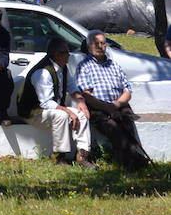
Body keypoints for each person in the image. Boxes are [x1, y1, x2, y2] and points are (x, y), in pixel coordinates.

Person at [76, 31, 151, 170]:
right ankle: (136, 160)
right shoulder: (84, 66)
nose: (99, 46)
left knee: (127, 122)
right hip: (97, 107)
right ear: (88, 46)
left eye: (102, 43)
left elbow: (127, 91)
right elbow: (86, 96)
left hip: (119, 104)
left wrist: (115, 105)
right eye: (95, 43)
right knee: (114, 128)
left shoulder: (114, 65)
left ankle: (128, 159)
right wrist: (107, 108)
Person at [17, 38, 95, 168]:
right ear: (57, 55)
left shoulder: (63, 67)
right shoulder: (43, 72)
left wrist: (81, 101)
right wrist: (68, 111)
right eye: (66, 53)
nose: (69, 56)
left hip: (50, 110)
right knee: (61, 115)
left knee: (81, 114)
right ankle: (59, 157)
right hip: (33, 113)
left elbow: (72, 87)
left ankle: (82, 155)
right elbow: (46, 103)